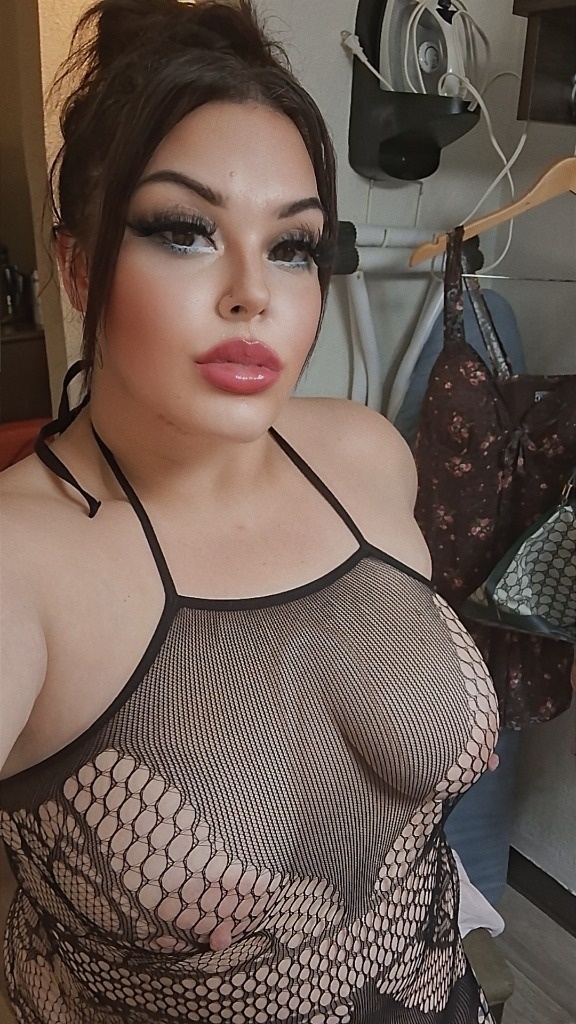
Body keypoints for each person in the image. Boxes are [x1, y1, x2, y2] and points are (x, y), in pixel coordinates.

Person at [0, 2, 500, 1021]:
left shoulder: (366, 457)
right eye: (185, 232)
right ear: (79, 265)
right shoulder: (21, 567)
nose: (252, 294)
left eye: (293, 246)